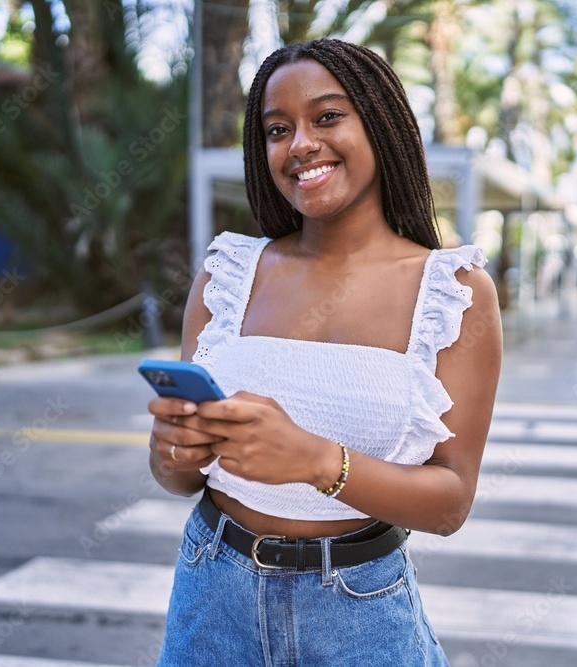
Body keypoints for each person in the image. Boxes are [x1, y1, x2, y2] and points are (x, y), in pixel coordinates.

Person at [147, 37, 502, 666]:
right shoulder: (230, 273)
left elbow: (450, 503)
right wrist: (174, 450)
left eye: (328, 116)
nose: (300, 144)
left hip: (357, 614)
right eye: (277, 129)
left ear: (381, 124)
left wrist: (316, 461)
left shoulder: (453, 293)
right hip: (212, 591)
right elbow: (179, 479)